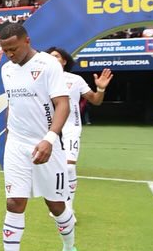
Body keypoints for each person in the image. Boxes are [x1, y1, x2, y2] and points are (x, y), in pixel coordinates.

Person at [0, 24, 76, 251]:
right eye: (5, 50)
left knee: (56, 205)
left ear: (27, 40)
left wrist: (49, 138)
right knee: (14, 203)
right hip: (17, 145)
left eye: (14, 48)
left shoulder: (48, 64)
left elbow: (63, 104)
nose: (9, 54)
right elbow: (13, 103)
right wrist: (11, 132)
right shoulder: (7, 69)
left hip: (47, 142)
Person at [46, 48, 112, 210]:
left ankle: (68, 206)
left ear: (64, 61)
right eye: (49, 57)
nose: (52, 59)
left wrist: (101, 89)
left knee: (69, 166)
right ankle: (58, 200)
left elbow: (96, 100)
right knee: (54, 169)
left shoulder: (75, 80)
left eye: (56, 56)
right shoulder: (41, 79)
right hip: (48, 129)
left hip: (70, 128)